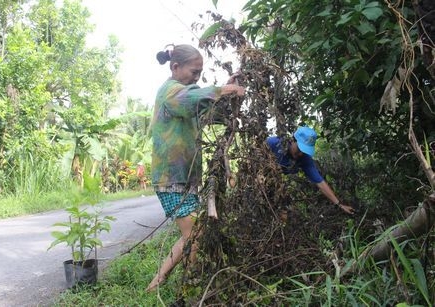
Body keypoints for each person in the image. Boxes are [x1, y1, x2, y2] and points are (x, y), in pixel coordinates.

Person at [147, 44, 245, 292]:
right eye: (194, 72)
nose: (197, 77)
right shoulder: (171, 92)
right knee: (195, 235)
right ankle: (191, 288)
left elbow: (203, 107)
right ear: (175, 67)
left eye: (200, 73)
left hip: (184, 178)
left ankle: (157, 282)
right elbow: (192, 98)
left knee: (192, 232)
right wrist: (222, 89)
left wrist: (225, 89)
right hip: (171, 178)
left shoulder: (184, 94)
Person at [266, 126, 355, 215]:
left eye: (304, 151)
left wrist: (339, 205)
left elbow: (320, 182)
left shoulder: (305, 159)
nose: (300, 154)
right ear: (292, 140)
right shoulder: (273, 143)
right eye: (300, 149)